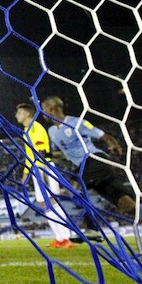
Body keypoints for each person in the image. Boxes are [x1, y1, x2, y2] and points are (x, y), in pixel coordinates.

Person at [41, 96, 137, 241]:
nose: (42, 112)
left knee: (74, 186)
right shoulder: (52, 131)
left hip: (95, 159)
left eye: (43, 108)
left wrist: (114, 144)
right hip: (86, 168)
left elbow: (103, 135)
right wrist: (48, 154)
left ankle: (92, 229)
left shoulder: (76, 123)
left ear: (51, 108)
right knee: (125, 204)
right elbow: (64, 153)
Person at [15, 103, 74, 249]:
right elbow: (29, 155)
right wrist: (26, 173)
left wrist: (41, 173)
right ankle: (59, 238)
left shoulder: (36, 128)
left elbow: (40, 153)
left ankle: (66, 237)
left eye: (19, 113)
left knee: (52, 201)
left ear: (27, 114)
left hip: (44, 167)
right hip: (36, 169)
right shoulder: (26, 130)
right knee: (43, 204)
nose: (16, 115)